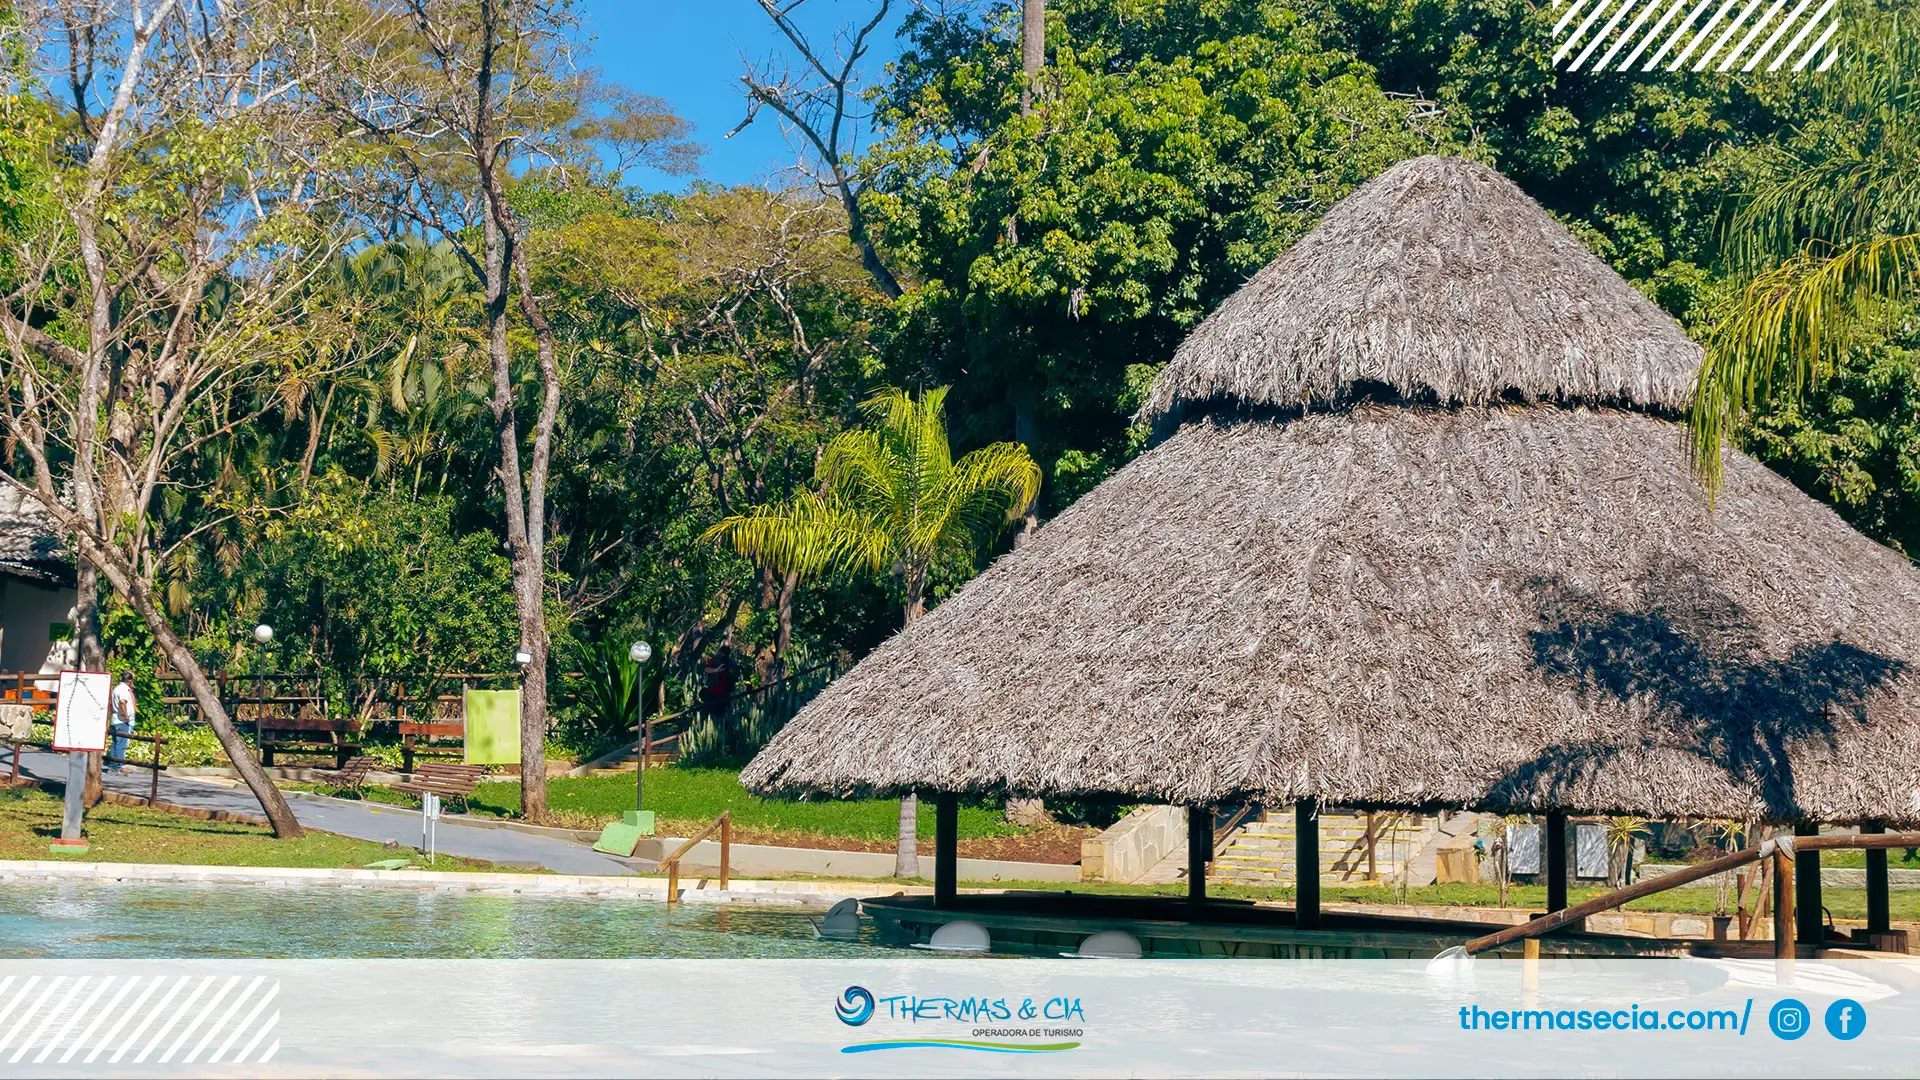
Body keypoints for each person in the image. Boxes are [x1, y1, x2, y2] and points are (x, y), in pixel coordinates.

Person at [107, 672, 137, 773]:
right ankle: (120, 765)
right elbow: (122, 702)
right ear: (129, 680)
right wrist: (126, 716)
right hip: (122, 721)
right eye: (133, 680)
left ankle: (114, 764)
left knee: (116, 743)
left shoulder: (117, 688)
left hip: (116, 719)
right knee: (121, 744)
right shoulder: (123, 690)